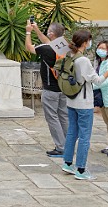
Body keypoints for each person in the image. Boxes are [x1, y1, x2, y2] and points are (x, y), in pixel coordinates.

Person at [60, 29, 108, 181]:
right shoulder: (83, 60)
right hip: (83, 103)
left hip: (71, 100)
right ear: (85, 43)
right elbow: (96, 80)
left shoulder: (70, 55)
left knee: (72, 133)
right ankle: (81, 169)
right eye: (89, 41)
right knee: (84, 136)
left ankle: (68, 163)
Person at [25, 20, 68, 157]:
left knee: (52, 118)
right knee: (63, 116)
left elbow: (30, 48)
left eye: (49, 30)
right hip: (63, 88)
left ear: (52, 33)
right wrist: (37, 29)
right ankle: (68, 144)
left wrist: (28, 32)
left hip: (50, 90)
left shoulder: (47, 49)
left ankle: (60, 147)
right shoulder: (63, 46)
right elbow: (47, 42)